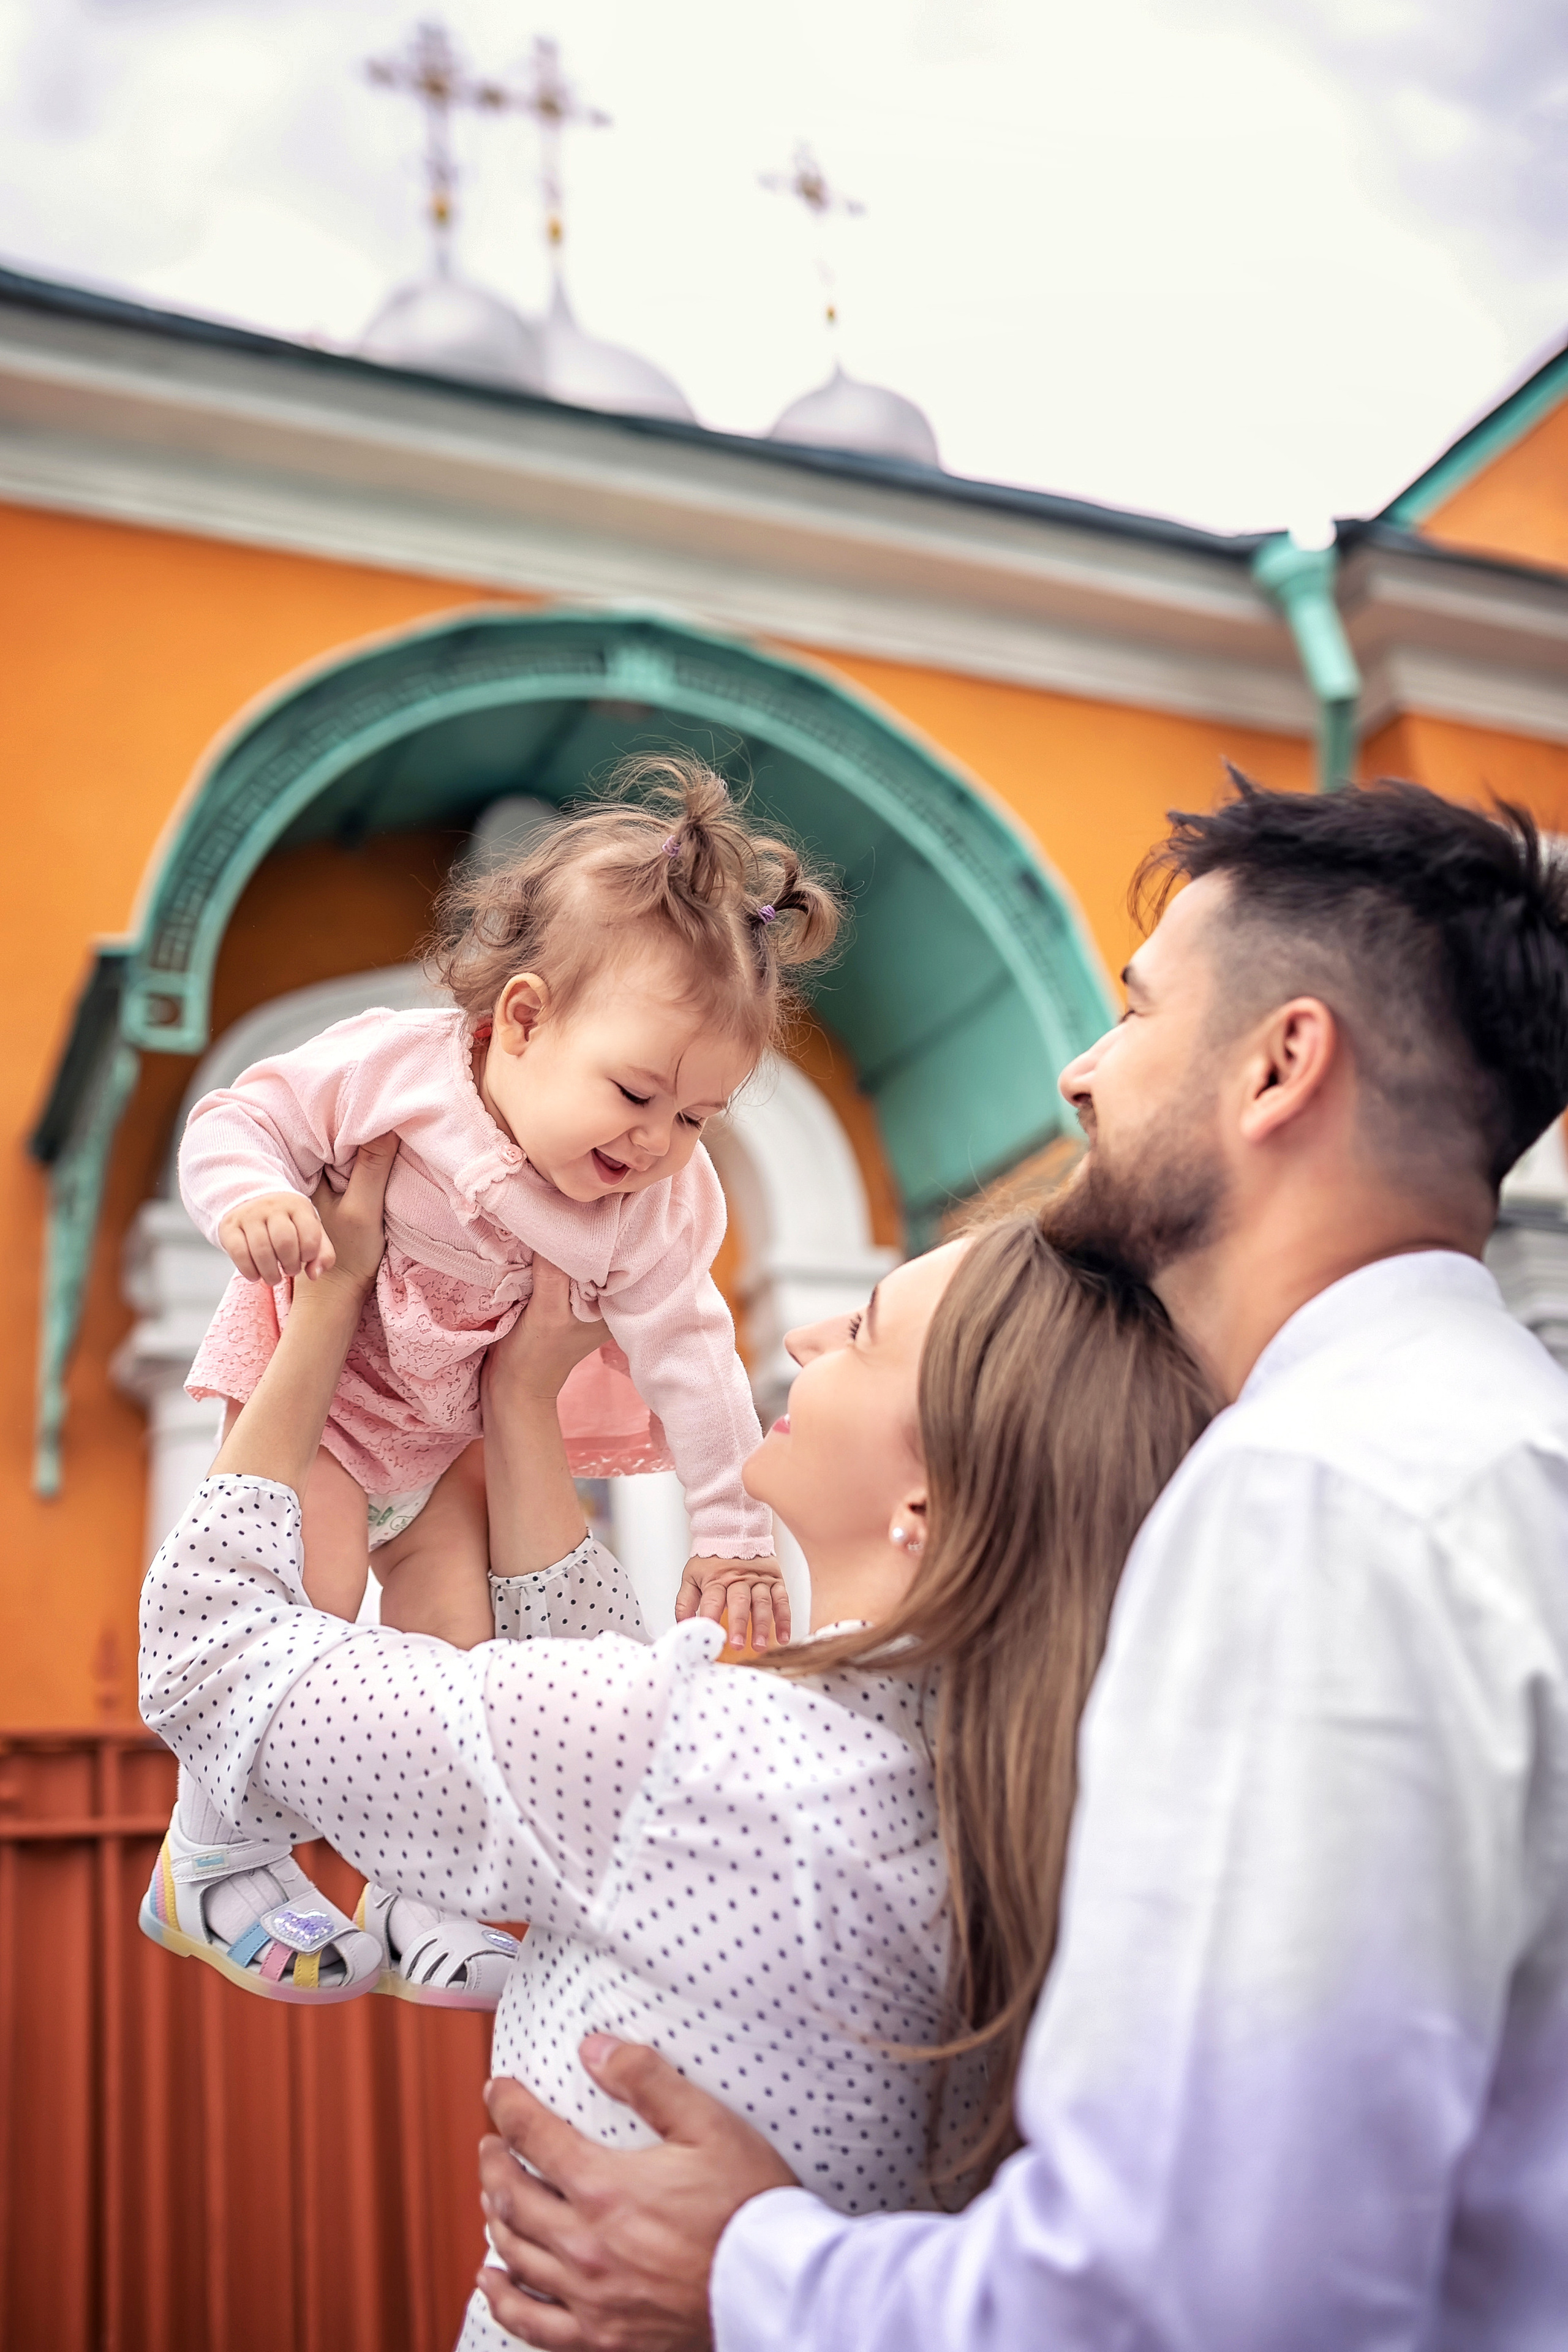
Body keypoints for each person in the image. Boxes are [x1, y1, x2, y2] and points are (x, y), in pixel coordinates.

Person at [473, 772, 1568, 2352]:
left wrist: (757, 2273)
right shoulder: (1502, 1445)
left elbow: (1205, 2298)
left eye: (1135, 1014)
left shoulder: (1322, 1503)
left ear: (1280, 1064)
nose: (1080, 1070)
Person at [137, 1138, 1211, 2346]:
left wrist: (326, 1302)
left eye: (857, 1333)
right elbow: (596, 1725)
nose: (803, 1344)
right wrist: (518, 1407)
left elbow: (211, 1657)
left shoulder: (684, 1759)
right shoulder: (1034, 1807)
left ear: (925, 1503)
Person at [141, 760, 835, 2009]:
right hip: (333, 1418)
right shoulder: (400, 1070)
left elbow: (697, 1361)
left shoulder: (658, 1204)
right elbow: (244, 1119)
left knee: (454, 1644)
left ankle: (423, 1901)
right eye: (634, 1094)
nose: (654, 1146)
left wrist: (730, 1536)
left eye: (697, 1117)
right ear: (519, 1020)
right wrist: (248, 1199)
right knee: (304, 1597)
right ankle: (210, 1856)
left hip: (446, 1444)